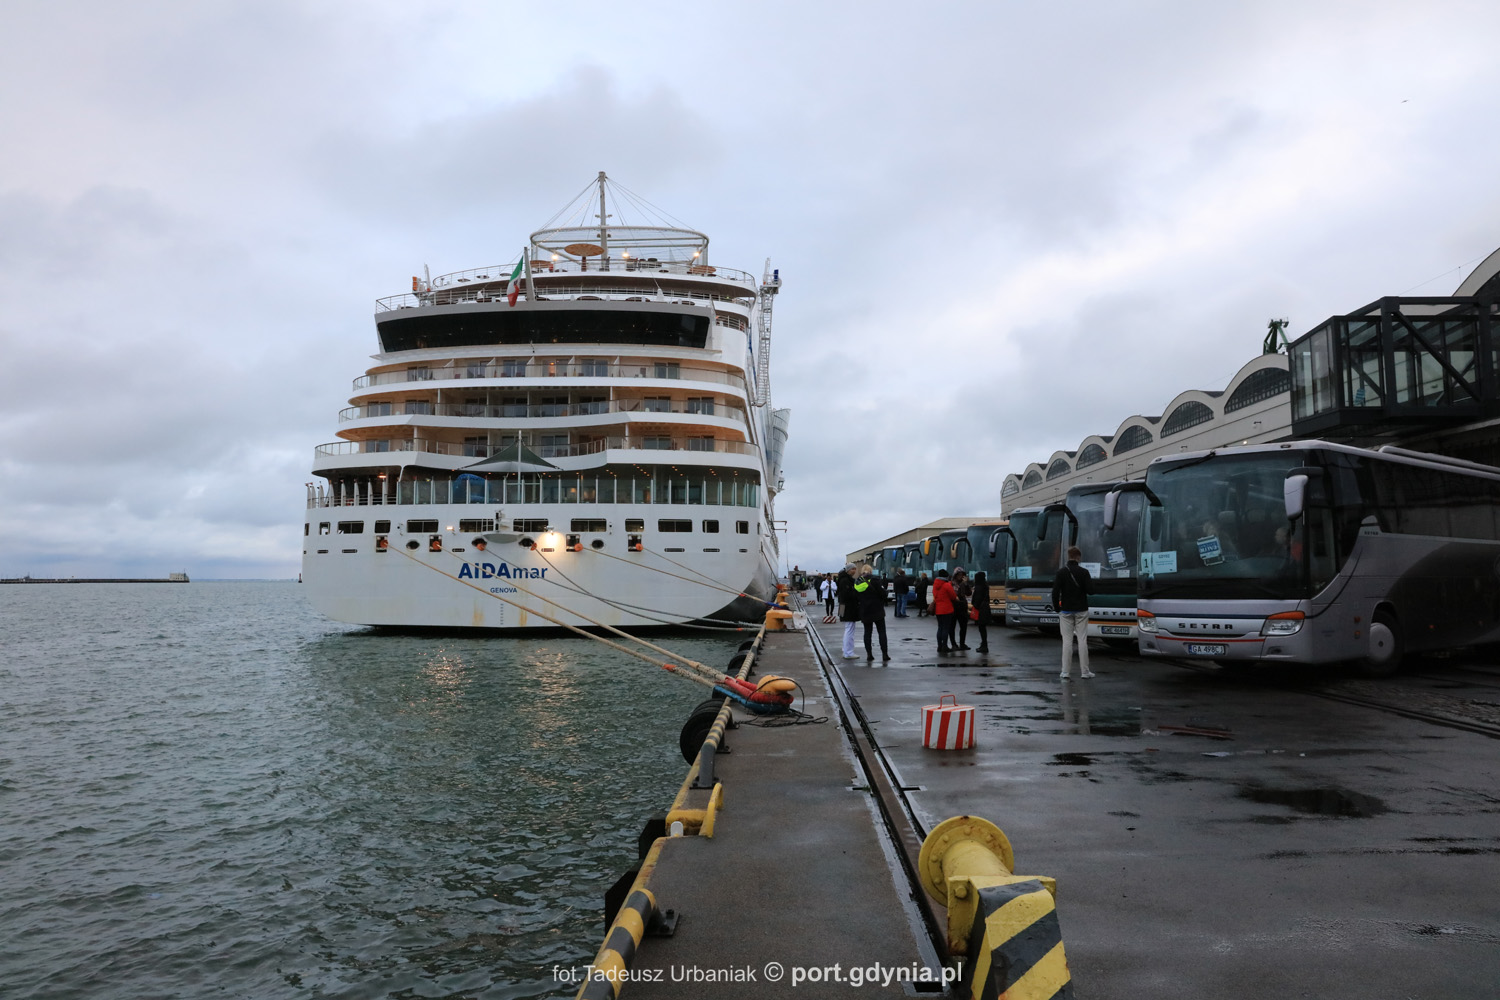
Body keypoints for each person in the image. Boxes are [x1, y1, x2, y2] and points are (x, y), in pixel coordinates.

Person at [1053, 545, 1094, 679]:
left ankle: (1065, 671)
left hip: (1065, 610)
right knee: (1082, 640)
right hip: (1081, 609)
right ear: (1078, 557)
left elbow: (1055, 592)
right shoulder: (1084, 572)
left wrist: (1057, 608)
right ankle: (1085, 672)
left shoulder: (1061, 572)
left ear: (1068, 557)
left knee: (1067, 641)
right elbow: (1090, 591)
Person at [855, 564, 890, 661]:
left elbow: (856, 597)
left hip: (865, 610)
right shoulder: (875, 580)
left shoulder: (857, 583)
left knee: (867, 633)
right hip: (877, 609)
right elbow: (882, 594)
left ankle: (869, 654)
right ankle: (884, 654)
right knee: (882, 632)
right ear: (870, 571)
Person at [836, 563, 860, 658]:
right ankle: (848, 652)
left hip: (843, 606)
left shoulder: (842, 579)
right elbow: (847, 595)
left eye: (855, 569)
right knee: (849, 629)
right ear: (848, 570)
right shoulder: (846, 581)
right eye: (852, 569)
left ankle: (846, 649)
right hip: (848, 607)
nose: (854, 571)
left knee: (848, 628)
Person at [931, 569, 957, 654]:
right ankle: (945, 646)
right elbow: (953, 596)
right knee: (946, 628)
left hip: (938, 609)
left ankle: (939, 646)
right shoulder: (946, 585)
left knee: (940, 628)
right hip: (947, 609)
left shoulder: (935, 584)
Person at [971, 570, 992, 653]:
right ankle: (984, 644)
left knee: (981, 628)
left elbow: (976, 600)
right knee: (983, 628)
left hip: (980, 610)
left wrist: (975, 604)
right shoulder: (985, 586)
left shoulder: (978, 587)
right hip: (986, 608)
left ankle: (984, 645)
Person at [951, 568, 971, 650]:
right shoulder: (952, 583)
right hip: (953, 606)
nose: (961, 576)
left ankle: (962, 643)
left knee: (963, 626)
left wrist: (966, 584)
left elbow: (969, 593)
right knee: (952, 626)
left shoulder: (964, 584)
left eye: (962, 575)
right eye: (959, 574)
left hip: (962, 606)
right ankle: (953, 644)